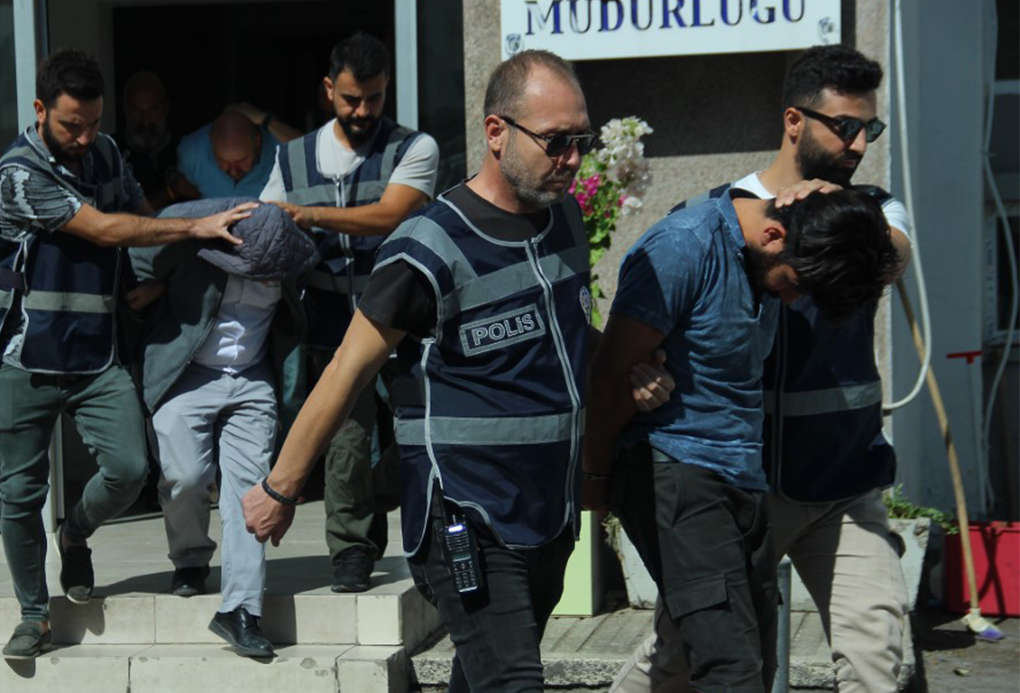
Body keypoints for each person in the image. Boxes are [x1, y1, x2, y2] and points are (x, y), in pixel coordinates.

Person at [244, 50, 673, 691]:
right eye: (555, 142)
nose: (572, 160)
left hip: (547, 513)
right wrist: (280, 487)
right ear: (496, 132)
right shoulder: (427, 247)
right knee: (514, 683)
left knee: (480, 679)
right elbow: (347, 369)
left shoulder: (565, 219)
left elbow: (566, 331)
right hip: (467, 516)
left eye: (580, 141)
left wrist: (628, 363)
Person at [610, 45, 915, 693]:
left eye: (871, 128)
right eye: (845, 126)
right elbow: (646, 338)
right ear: (795, 120)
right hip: (739, 485)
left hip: (842, 481)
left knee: (876, 659)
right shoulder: (720, 218)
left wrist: (837, 218)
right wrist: (650, 376)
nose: (859, 143)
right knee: (688, 650)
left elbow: (890, 255)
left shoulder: (874, 209)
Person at [0, 48, 252, 660]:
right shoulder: (18, 175)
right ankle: (33, 616)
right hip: (23, 358)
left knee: (130, 470)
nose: (85, 137)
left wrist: (160, 274)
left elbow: (140, 221)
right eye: (71, 125)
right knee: (20, 495)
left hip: (95, 355)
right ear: (40, 110)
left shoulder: (105, 153)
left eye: (94, 122)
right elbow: (104, 229)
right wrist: (194, 227)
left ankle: (75, 534)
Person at [258, 32, 441, 593]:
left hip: (405, 319)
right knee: (345, 440)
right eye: (351, 99)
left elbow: (390, 215)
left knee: (424, 430)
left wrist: (308, 216)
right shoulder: (291, 157)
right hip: (331, 324)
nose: (363, 111)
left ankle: (379, 495)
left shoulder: (414, 147)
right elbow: (267, 224)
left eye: (374, 98)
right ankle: (351, 552)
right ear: (327, 90)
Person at [128, 198, 314, 659]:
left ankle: (241, 610)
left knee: (250, 492)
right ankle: (190, 558)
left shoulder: (288, 265)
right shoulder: (195, 248)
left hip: (253, 378)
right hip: (186, 373)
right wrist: (162, 280)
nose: (262, 275)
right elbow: (136, 249)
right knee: (186, 477)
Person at [176, 106, 298, 199]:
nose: (234, 171)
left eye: (242, 160)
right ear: (211, 143)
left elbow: (308, 150)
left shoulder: (282, 146)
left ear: (257, 142)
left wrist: (266, 120)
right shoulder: (191, 154)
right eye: (223, 161)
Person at [119, 70, 197, 208]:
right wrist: (171, 192)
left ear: (166, 108)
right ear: (125, 110)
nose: (146, 120)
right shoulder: (111, 152)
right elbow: (118, 214)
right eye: (137, 111)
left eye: (153, 110)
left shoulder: (186, 148)